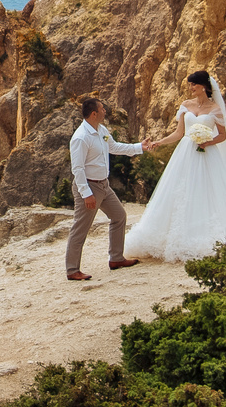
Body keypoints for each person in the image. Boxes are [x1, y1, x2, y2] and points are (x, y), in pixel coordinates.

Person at [121, 68, 226, 263]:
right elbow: (178, 134)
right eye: (190, 84)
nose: (191, 88)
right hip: (185, 152)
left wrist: (207, 142)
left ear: (204, 86)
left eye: (194, 84)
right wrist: (160, 142)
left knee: (204, 191)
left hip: (205, 154)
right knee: (178, 190)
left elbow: (222, 135)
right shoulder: (186, 105)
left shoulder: (215, 109)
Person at [64, 97, 172, 281]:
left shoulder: (101, 130)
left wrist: (140, 147)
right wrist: (86, 193)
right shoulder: (81, 137)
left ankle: (116, 258)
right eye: (102, 109)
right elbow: (78, 169)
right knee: (80, 228)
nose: (106, 111)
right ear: (94, 113)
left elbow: (114, 147)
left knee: (119, 216)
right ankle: (72, 270)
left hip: (103, 185)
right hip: (89, 187)